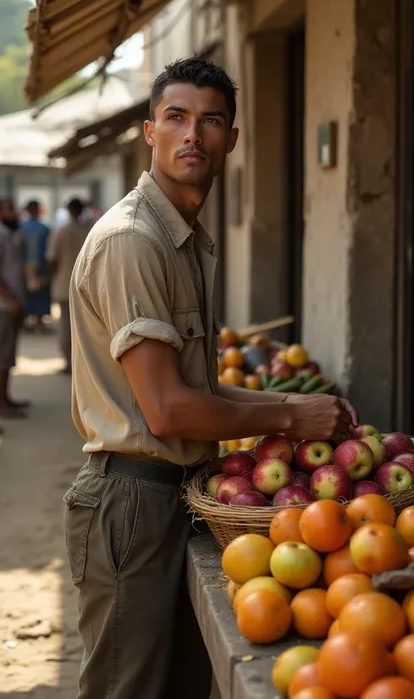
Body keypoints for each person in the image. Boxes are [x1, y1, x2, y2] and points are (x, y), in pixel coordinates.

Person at [65, 57, 358, 699]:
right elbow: (169, 410)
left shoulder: (184, 239)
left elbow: (199, 388)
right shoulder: (133, 241)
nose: (192, 135)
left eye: (210, 120)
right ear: (150, 131)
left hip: (176, 494)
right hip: (131, 501)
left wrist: (296, 404)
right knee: (128, 688)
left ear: (232, 138)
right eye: (175, 118)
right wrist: (289, 416)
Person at [0, 198, 29, 418]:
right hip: (3, 306)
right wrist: (10, 300)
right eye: (10, 209)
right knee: (2, 355)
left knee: (8, 354)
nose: (15, 213)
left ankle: (6, 398)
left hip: (12, 304)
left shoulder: (8, 235)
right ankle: (0, 403)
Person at [46, 198, 89, 374]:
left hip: (64, 285)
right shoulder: (89, 232)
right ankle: (83, 364)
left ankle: (69, 362)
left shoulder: (60, 232)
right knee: (84, 326)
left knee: (66, 325)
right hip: (85, 286)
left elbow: (51, 260)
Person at [21, 200, 51, 331]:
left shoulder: (21, 227)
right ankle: (39, 322)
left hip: (24, 266)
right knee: (41, 295)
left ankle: (26, 321)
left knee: (26, 294)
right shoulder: (45, 229)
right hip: (41, 267)